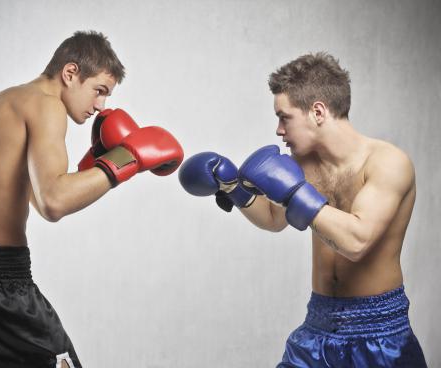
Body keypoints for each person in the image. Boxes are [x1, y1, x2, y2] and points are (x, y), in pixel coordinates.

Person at [0, 30, 183, 368]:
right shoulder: (45, 105)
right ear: (70, 73)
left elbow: (30, 191)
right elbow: (53, 202)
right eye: (99, 91)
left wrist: (94, 163)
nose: (101, 105)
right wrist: (127, 159)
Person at [179, 52, 426, 367]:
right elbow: (272, 219)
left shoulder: (387, 163)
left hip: (379, 332)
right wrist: (233, 188)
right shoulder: (304, 164)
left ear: (318, 112)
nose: (279, 130)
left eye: (284, 117)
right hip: (317, 326)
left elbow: (356, 241)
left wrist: (294, 191)